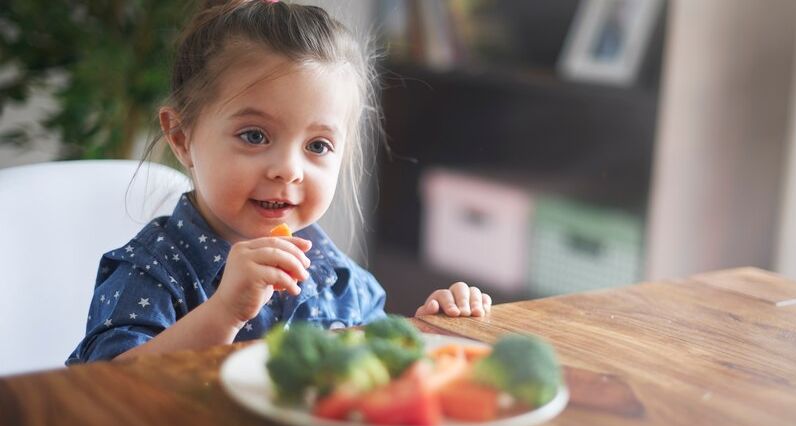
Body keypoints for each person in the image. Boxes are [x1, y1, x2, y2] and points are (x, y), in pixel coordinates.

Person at [67, 0, 490, 364]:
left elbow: (374, 376)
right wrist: (225, 313)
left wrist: (432, 332)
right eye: (255, 136)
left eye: (319, 145)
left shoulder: (338, 277)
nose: (288, 170)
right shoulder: (154, 270)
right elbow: (102, 389)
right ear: (182, 138)